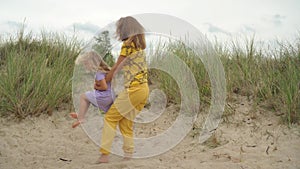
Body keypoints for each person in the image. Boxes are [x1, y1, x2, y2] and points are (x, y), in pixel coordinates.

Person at [97, 16, 149, 163]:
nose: (117, 31)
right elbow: (120, 66)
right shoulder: (139, 48)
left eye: (119, 28)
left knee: (110, 118)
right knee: (125, 122)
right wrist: (108, 72)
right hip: (143, 90)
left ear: (124, 29)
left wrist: (105, 80)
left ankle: (104, 155)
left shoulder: (127, 45)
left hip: (134, 90)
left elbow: (116, 67)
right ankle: (128, 155)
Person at [70, 51, 114, 128]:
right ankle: (81, 115)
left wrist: (96, 87)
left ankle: (81, 118)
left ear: (93, 62)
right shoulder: (104, 71)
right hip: (110, 97)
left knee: (83, 96)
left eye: (86, 64)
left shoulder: (99, 73)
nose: (85, 66)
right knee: (88, 98)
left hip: (104, 96)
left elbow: (104, 87)